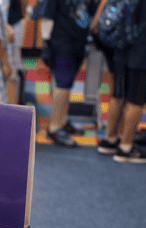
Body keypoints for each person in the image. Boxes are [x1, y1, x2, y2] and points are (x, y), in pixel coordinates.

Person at [95, 0, 146, 163]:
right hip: (143, 51)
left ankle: (109, 140)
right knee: (136, 100)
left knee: (118, 95)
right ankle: (126, 148)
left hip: (121, 47)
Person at [40, 0, 96, 146]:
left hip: (78, 42)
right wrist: (46, 43)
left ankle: (62, 121)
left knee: (68, 83)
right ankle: (54, 127)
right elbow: (47, 17)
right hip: (61, 41)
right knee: (63, 83)